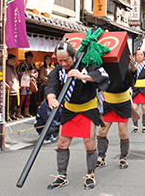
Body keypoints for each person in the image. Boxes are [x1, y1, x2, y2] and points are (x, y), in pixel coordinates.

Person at [46, 41, 109, 190]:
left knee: (89, 143)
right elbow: (52, 84)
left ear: (73, 57)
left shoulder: (86, 64)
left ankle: (90, 175)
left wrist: (82, 76)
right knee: (62, 143)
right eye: (60, 60)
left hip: (87, 107)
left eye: (66, 60)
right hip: (69, 109)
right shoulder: (58, 70)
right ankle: (61, 175)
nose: (63, 63)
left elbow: (103, 76)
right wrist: (51, 97)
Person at [96, 55, 137, 170]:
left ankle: (123, 157)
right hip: (108, 102)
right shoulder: (104, 67)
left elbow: (133, 75)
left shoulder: (126, 68)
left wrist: (133, 65)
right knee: (102, 130)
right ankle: (101, 157)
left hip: (122, 103)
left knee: (122, 132)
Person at [16, 51, 38, 118]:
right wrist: (27, 73)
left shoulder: (33, 64)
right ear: (26, 57)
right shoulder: (22, 64)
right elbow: (18, 72)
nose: (31, 58)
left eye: (31, 57)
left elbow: (36, 72)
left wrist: (34, 74)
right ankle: (18, 112)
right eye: (29, 57)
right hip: (23, 83)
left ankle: (26, 112)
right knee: (22, 98)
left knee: (28, 98)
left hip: (30, 82)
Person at [5, 54, 19, 121]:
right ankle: (7, 115)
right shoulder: (5, 67)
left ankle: (13, 114)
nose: (14, 61)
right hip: (8, 88)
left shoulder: (13, 67)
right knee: (8, 103)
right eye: (13, 59)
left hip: (14, 88)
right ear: (9, 59)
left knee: (14, 103)